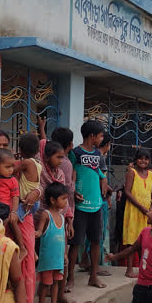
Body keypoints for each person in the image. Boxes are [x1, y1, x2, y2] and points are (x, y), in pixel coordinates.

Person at [68, 120, 108, 290]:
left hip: (96, 205)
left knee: (96, 241)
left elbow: (99, 173)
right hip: (80, 206)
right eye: (100, 136)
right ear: (92, 136)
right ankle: (70, 278)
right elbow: (70, 175)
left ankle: (93, 276)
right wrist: (73, 191)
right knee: (76, 242)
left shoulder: (98, 155)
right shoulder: (75, 153)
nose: (102, 138)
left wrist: (104, 181)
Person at [16, 133, 43, 303]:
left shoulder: (25, 163)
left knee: (12, 218)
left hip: (26, 204)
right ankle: (29, 250)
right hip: (33, 203)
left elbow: (11, 167)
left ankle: (27, 250)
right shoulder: (37, 162)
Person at [35, 182, 70, 303]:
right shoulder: (46, 215)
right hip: (47, 259)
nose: (66, 201)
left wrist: (65, 254)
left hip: (58, 258)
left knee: (56, 283)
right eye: (63, 198)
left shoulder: (62, 217)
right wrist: (34, 233)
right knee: (45, 284)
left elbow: (63, 238)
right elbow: (39, 231)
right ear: (53, 200)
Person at [122, 148, 152, 278]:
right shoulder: (132, 172)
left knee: (145, 240)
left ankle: (143, 268)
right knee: (132, 239)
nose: (143, 161)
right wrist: (140, 206)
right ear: (136, 159)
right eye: (141, 158)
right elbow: (127, 191)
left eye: (146, 159)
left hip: (146, 212)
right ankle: (129, 269)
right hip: (133, 210)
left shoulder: (151, 174)